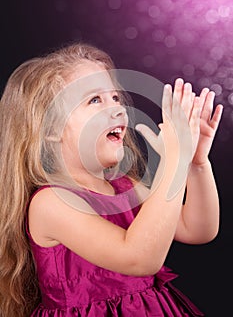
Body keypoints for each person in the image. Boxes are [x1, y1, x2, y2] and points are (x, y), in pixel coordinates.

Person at [0, 43, 223, 317]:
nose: (118, 110)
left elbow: (198, 229)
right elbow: (139, 259)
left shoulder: (127, 187)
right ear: (51, 129)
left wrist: (195, 163)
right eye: (95, 100)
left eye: (116, 98)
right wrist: (172, 162)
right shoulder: (51, 203)